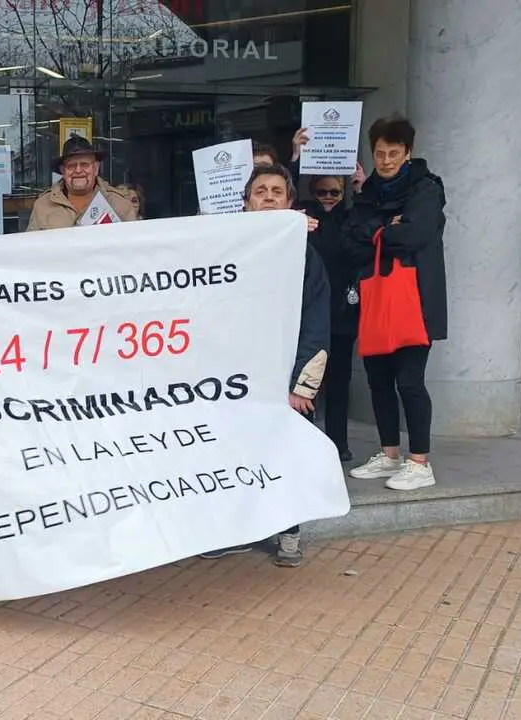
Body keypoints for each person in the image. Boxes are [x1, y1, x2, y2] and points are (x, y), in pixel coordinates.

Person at [201, 164, 331, 567]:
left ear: (291, 203)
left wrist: (302, 386)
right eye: (260, 191)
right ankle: (235, 531)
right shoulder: (224, 250)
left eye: (277, 191)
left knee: (284, 454)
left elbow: (316, 321)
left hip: (283, 378)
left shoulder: (306, 256)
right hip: (235, 378)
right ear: (246, 203)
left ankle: (289, 532)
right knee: (231, 453)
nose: (269, 197)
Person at [344, 116, 448, 491]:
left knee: (409, 381)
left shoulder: (426, 188)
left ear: (408, 152)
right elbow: (349, 239)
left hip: (415, 300)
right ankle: (389, 454)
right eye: (380, 153)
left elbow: (416, 234)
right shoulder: (368, 191)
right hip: (375, 298)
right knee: (379, 381)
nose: (386, 160)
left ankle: (419, 462)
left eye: (393, 153)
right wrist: (389, 229)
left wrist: (376, 233)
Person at [300, 175, 358, 462]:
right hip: (311, 313)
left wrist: (361, 189)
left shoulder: (350, 218)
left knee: (339, 382)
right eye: (322, 192)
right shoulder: (303, 218)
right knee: (305, 382)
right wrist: (297, 159)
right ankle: (305, 442)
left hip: (341, 313)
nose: (328, 197)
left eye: (334, 192)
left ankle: (339, 443)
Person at [26, 136, 138, 231]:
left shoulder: (119, 204)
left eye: (84, 164)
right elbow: (31, 247)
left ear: (95, 168)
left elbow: (133, 246)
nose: (78, 170)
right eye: (71, 166)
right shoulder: (42, 206)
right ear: (63, 171)